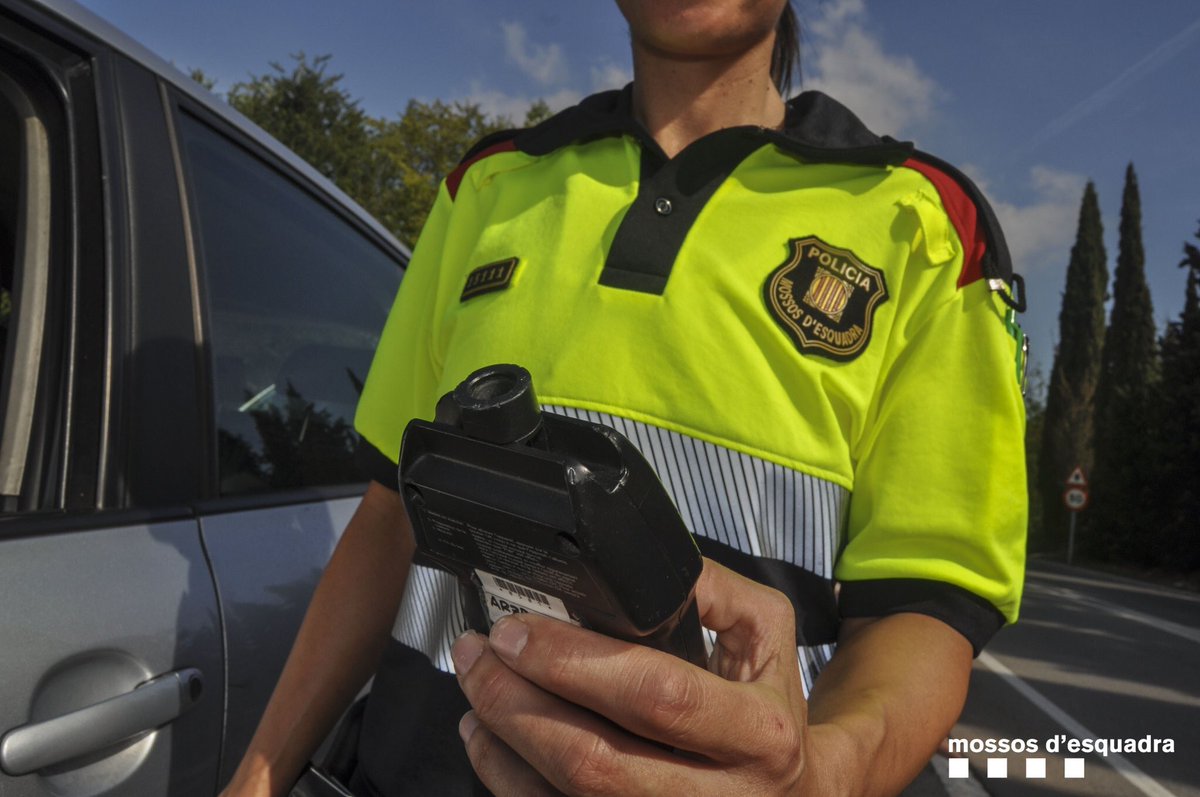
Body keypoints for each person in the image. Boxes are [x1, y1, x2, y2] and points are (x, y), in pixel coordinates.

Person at [223, 1, 1027, 795]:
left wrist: (822, 776)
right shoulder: (488, 184)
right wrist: (256, 780)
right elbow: (388, 515)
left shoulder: (929, 227)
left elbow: (922, 606)